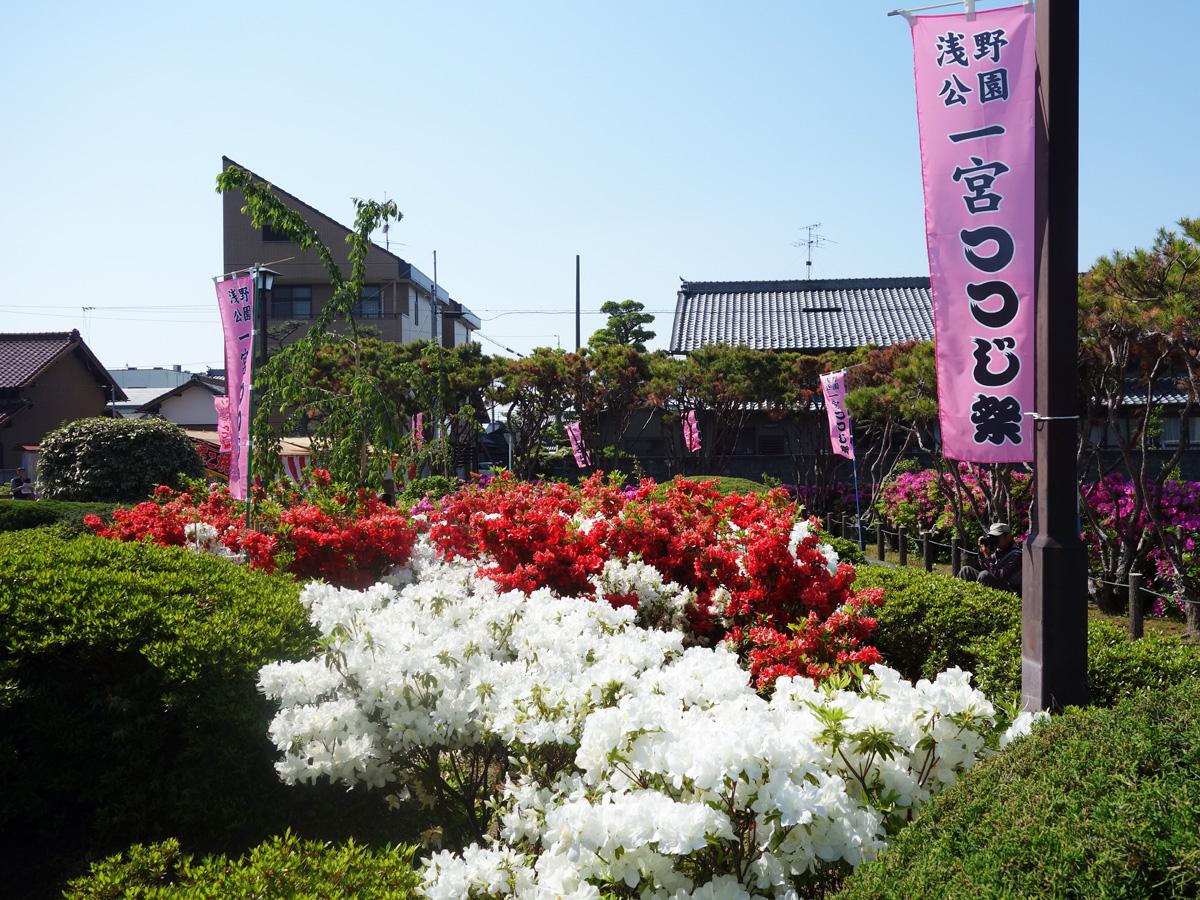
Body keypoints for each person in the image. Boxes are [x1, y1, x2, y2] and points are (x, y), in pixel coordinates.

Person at [957, 522, 1022, 593]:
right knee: (966, 570)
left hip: (1010, 590)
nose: (995, 540)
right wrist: (982, 552)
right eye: (993, 537)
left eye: (997, 537)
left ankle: (974, 600)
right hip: (999, 583)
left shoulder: (1016, 555)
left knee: (984, 575)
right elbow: (984, 567)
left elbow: (999, 575)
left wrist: (987, 556)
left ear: (1008, 536)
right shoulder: (999, 550)